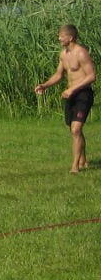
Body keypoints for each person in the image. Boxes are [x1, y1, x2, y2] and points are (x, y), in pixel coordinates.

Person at [35, 24, 95, 173]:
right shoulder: (63, 54)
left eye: (62, 36)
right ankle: (83, 160)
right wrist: (44, 85)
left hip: (83, 94)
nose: (59, 38)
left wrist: (73, 89)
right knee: (74, 130)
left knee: (76, 129)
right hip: (70, 95)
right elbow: (58, 74)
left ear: (71, 37)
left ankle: (75, 166)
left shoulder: (81, 53)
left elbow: (92, 76)